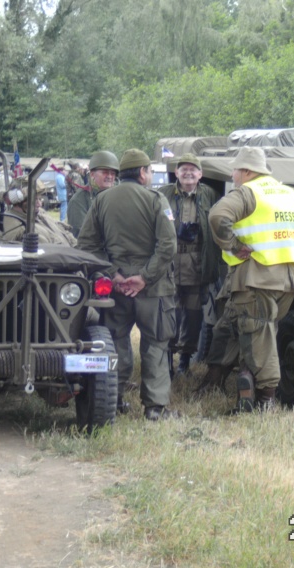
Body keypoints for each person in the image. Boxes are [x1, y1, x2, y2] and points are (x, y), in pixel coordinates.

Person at [208, 147, 294, 412]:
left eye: (235, 170)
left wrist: (234, 244)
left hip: (257, 278)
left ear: (247, 171)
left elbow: (217, 217)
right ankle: (238, 386)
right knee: (261, 334)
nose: (233, 174)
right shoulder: (288, 193)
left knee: (260, 338)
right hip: (288, 280)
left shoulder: (247, 192)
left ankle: (265, 401)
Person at [76, 149, 178, 421]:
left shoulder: (101, 201)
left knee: (116, 341)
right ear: (143, 172)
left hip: (116, 289)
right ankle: (155, 408)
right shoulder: (157, 200)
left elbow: (86, 245)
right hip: (154, 289)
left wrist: (114, 274)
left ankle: (115, 398)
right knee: (156, 344)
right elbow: (168, 245)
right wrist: (145, 277)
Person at [158, 153, 220, 376]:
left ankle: (185, 359)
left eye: (193, 169)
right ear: (176, 173)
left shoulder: (210, 195)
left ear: (200, 174)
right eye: (183, 169)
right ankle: (167, 360)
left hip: (197, 266)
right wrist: (176, 232)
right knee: (169, 314)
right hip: (170, 265)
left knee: (193, 318)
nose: (188, 172)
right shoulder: (163, 194)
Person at [0, 178, 76, 246]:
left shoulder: (39, 213)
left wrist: (77, 248)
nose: (39, 204)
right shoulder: (19, 229)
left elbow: (63, 230)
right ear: (18, 200)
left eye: (40, 199)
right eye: (35, 200)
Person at [67, 151, 119, 238]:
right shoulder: (79, 200)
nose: (110, 176)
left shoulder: (118, 194)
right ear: (92, 174)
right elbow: (81, 236)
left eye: (113, 173)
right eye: (105, 172)